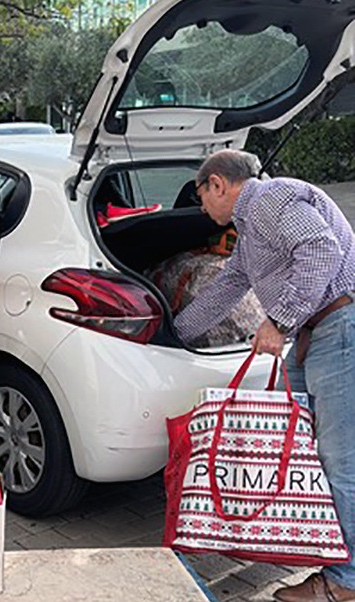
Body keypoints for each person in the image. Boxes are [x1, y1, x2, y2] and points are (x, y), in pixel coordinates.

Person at [173, 149, 355, 602]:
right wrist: (173, 333)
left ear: (217, 184)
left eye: (201, 197)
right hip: (316, 331)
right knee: (289, 441)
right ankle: (301, 534)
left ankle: (344, 583)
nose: (202, 209)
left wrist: (279, 319)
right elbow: (228, 287)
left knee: (341, 459)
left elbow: (320, 249)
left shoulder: (269, 199)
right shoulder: (251, 228)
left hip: (338, 327)